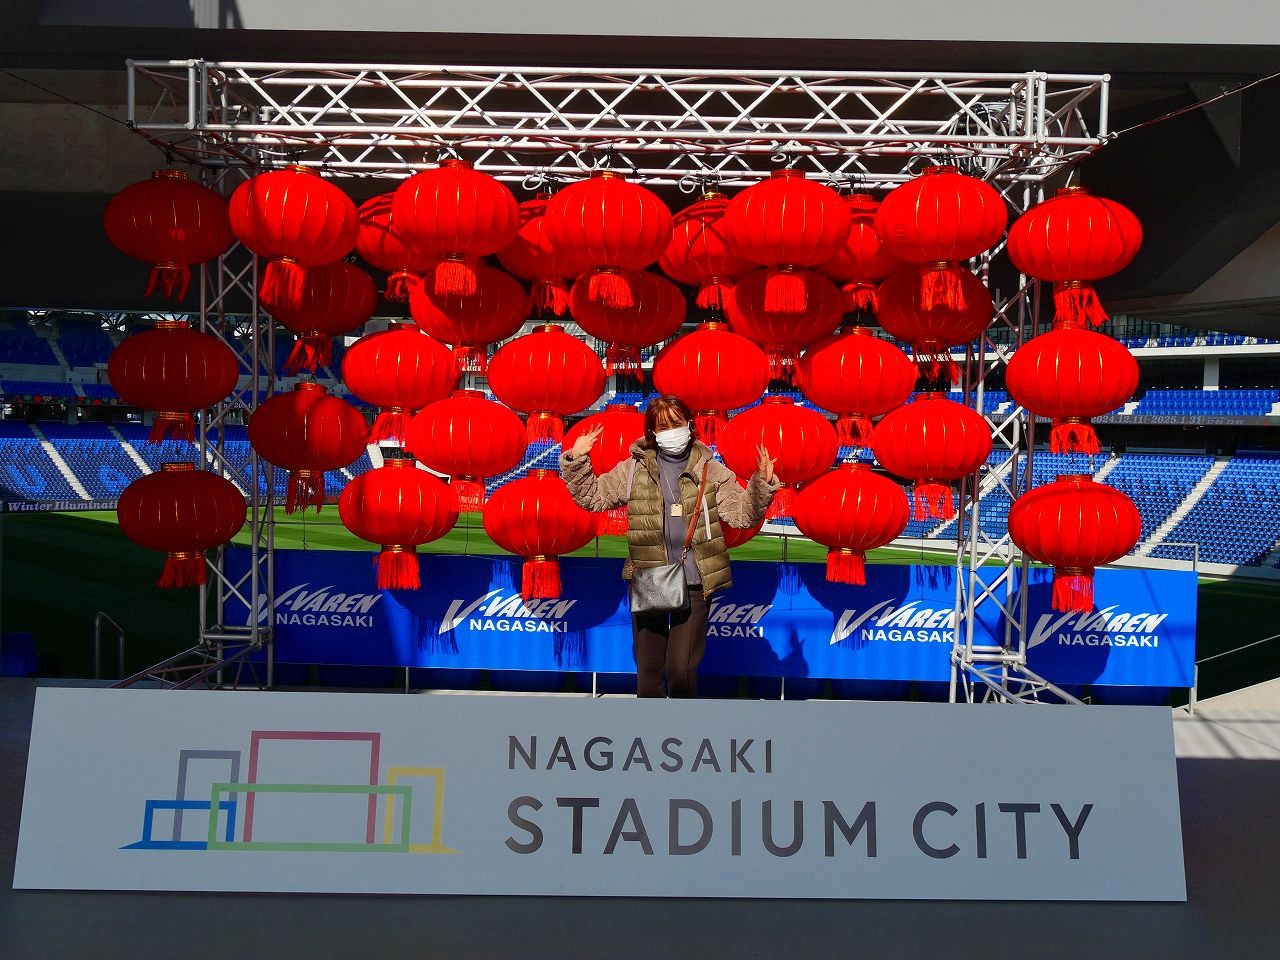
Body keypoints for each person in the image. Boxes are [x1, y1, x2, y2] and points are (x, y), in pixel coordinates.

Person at [560, 395, 779, 698]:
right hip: (649, 576)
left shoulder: (712, 470)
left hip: (696, 580)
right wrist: (576, 459)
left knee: (681, 668)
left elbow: (741, 516)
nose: (671, 431)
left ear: (689, 424)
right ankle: (650, 723)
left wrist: (761, 484)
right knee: (649, 669)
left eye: (676, 423)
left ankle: (681, 722)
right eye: (663, 426)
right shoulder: (634, 468)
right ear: (652, 432)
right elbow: (593, 497)